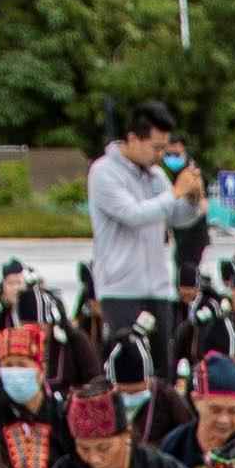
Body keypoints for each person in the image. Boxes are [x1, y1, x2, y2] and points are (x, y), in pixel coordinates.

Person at [86, 111, 190, 359]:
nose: (160, 155)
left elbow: (175, 216)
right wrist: (175, 193)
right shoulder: (104, 171)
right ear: (133, 139)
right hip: (121, 290)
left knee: (162, 369)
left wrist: (193, 199)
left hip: (159, 289)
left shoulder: (156, 175)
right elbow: (132, 214)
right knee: (129, 366)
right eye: (156, 147)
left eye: (164, 148)